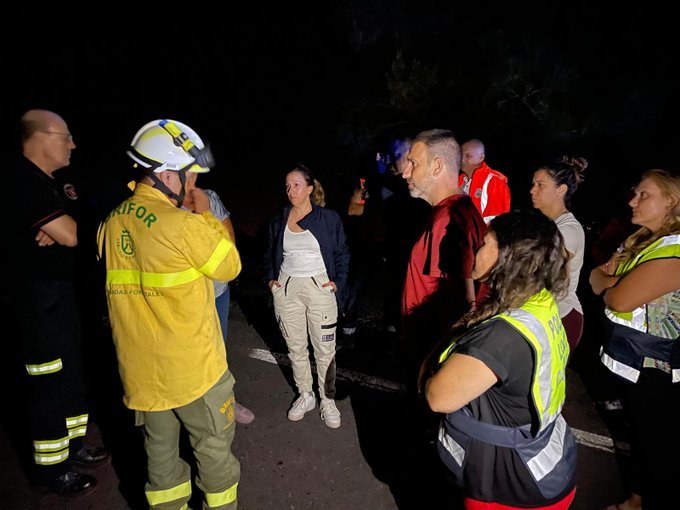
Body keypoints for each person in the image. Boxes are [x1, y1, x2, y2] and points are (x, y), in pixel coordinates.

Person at [97, 119, 242, 509]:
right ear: (165, 173)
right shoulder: (183, 225)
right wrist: (205, 212)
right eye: (189, 178)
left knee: (161, 468)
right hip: (194, 373)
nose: (192, 185)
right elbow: (230, 265)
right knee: (214, 460)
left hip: (143, 377)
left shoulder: (110, 223)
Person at [424, 209, 577, 509]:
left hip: (509, 486)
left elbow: (438, 397)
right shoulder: (539, 302)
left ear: (507, 257)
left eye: (484, 244)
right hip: (546, 464)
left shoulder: (502, 338)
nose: (477, 251)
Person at [9, 109, 107, 496]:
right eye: (65, 136)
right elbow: (72, 234)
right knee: (50, 385)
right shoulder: (19, 181)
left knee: (71, 377)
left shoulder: (58, 183)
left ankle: (73, 446)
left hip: (64, 298)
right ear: (39, 138)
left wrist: (67, 227)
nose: (73, 144)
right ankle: (52, 471)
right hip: (37, 304)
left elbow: (81, 224)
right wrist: (66, 229)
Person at [589, 169, 680, 510]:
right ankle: (635, 501)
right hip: (633, 361)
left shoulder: (676, 248)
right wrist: (608, 280)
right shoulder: (641, 240)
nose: (632, 200)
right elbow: (596, 279)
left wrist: (609, 281)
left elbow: (618, 299)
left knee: (660, 449)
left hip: (659, 367)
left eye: (644, 195)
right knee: (641, 438)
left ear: (670, 201)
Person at [264, 164, 350, 428]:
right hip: (287, 290)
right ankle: (306, 394)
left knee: (324, 350)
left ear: (310, 188)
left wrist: (337, 283)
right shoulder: (280, 219)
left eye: (297, 185)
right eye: (288, 186)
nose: (291, 190)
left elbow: (342, 254)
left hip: (319, 290)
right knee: (296, 348)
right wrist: (271, 281)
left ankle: (327, 400)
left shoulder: (328, 218)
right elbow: (269, 254)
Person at [401, 129, 486, 380]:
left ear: (437, 166)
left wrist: (435, 363)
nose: (405, 172)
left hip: (432, 352)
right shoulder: (454, 210)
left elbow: (462, 297)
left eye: (413, 163)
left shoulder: (448, 218)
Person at [183, 170, 255, 425]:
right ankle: (192, 409)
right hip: (183, 297)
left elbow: (229, 242)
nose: (191, 175)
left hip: (216, 292)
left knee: (217, 351)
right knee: (186, 355)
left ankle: (227, 402)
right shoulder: (161, 205)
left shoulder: (209, 198)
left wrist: (204, 212)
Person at [530, 156, 587, 354]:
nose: (532, 190)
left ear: (560, 190)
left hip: (561, 317)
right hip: (542, 313)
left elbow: (543, 272)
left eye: (540, 185)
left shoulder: (568, 230)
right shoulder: (547, 226)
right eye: (533, 184)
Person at [459, 139, 511, 224]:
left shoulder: (494, 182)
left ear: (481, 157)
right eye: (461, 155)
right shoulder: (459, 181)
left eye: (467, 156)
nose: (462, 159)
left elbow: (497, 223)